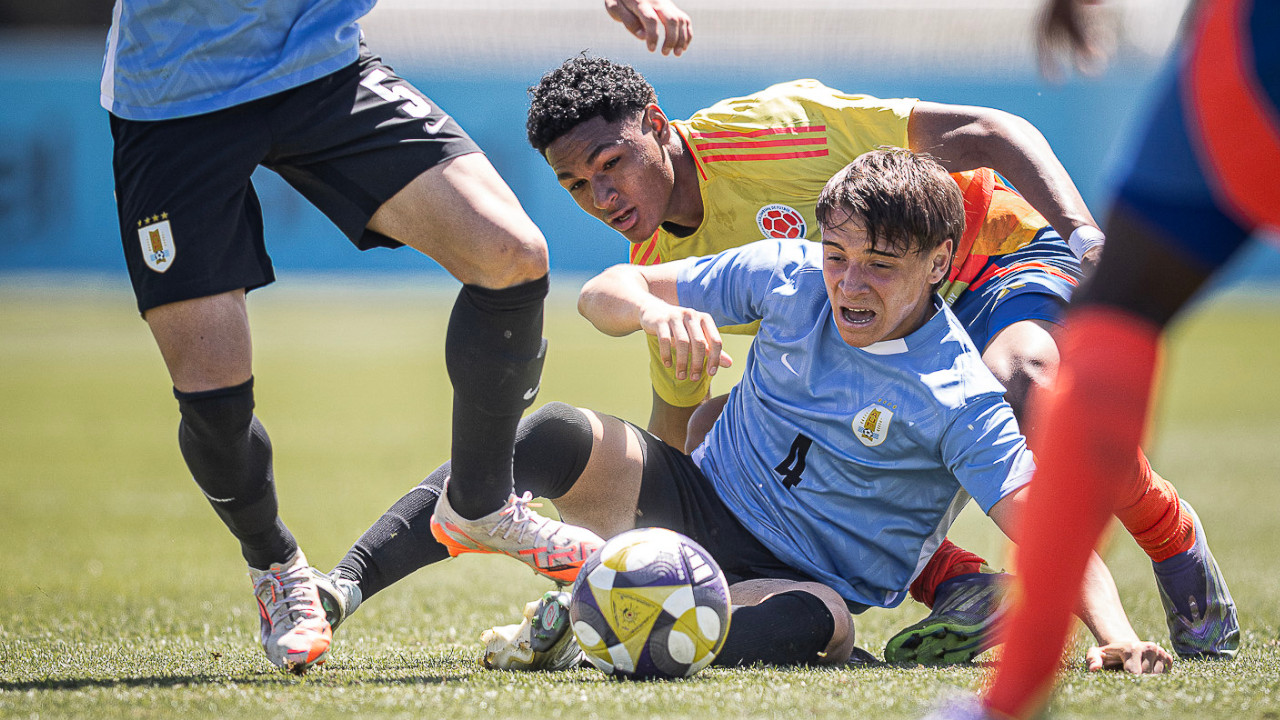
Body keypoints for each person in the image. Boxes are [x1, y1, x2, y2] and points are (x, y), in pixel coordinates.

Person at [327, 149, 1173, 673]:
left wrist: (1117, 634)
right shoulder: (788, 272)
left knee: (823, 626)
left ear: (940, 260)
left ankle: (588, 606)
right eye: (836, 255)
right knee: (553, 432)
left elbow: (1050, 525)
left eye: (880, 264)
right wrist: (657, 312)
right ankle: (341, 586)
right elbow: (603, 290)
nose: (847, 283)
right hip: (695, 500)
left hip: (801, 582)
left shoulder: (957, 394)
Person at [523, 55, 1236, 661]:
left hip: (991, 260)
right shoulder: (656, 260)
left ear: (654, 123)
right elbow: (675, 435)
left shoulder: (774, 130)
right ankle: (959, 583)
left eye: (609, 166)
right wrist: (629, 579)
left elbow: (992, 131)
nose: (603, 196)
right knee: (724, 424)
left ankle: (1173, 542)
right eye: (577, 186)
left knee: (1017, 382)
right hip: (887, 313)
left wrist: (1084, 238)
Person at [103, 0, 690, 674]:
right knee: (214, 398)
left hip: (318, 68)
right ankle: (273, 561)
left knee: (512, 252)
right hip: (176, 99)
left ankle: (480, 502)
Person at [971, 0, 1274, 718]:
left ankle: (1007, 702)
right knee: (1098, 328)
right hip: (1240, 62)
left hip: (1244, 63)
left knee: (1109, 323)